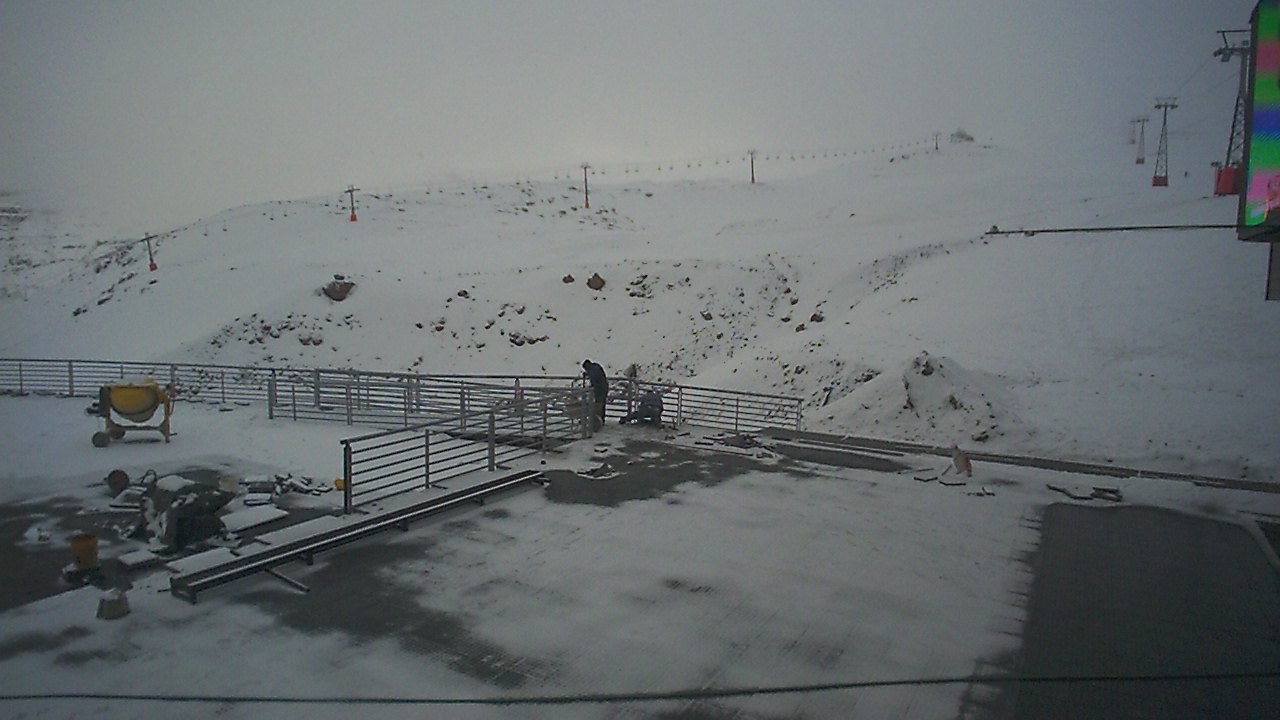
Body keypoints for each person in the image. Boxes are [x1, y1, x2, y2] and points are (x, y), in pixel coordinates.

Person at [581, 359, 608, 427]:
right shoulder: (595, 366)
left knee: (598, 404)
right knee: (601, 404)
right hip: (603, 387)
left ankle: (597, 422)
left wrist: (591, 386)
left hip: (599, 389)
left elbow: (594, 378)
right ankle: (601, 419)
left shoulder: (593, 370)